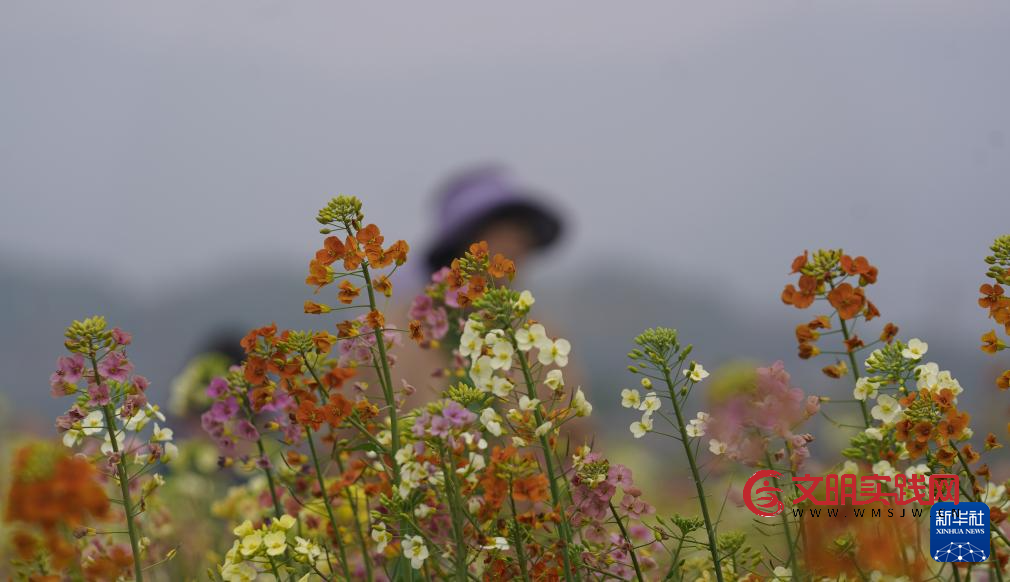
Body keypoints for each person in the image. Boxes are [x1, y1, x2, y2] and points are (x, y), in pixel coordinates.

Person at [423, 164, 564, 276]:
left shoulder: (517, 304)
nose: (517, 252)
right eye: (508, 236)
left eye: (525, 244)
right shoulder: (421, 303)